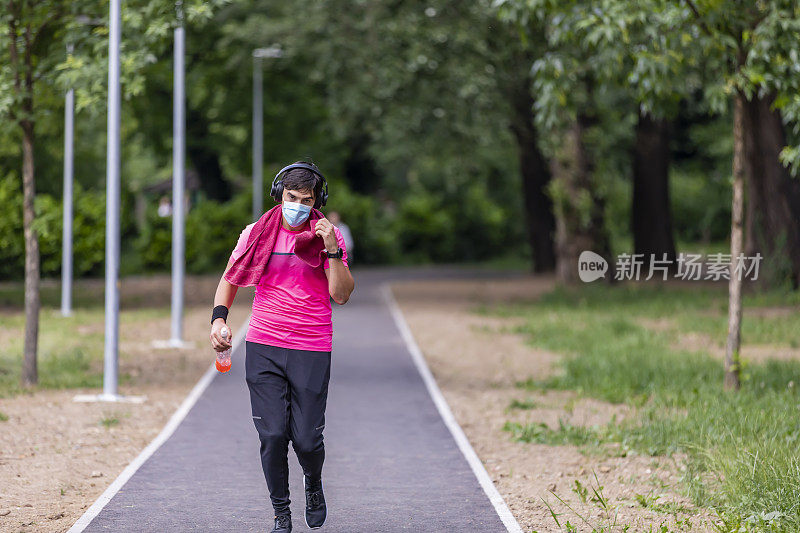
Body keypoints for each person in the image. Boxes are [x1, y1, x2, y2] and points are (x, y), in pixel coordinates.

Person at [209, 161, 355, 533]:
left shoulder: (328, 236)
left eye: (307, 200)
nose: (298, 206)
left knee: (307, 440)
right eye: (292, 198)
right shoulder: (258, 233)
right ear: (279, 194)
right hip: (264, 343)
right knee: (273, 436)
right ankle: (281, 513)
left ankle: (314, 483)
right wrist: (219, 319)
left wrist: (332, 249)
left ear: (316, 200)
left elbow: (341, 294)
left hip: (311, 345)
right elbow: (230, 278)